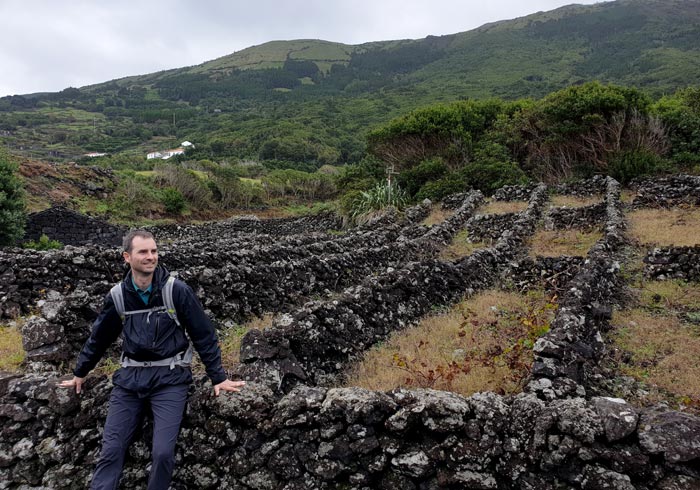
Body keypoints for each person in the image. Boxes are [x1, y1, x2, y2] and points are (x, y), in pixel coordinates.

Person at [59, 229, 245, 490]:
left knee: (162, 454)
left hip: (170, 380)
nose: (151, 257)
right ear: (127, 257)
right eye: (143, 252)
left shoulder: (176, 291)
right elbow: (99, 338)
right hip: (129, 381)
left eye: (154, 251)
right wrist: (80, 372)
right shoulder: (118, 296)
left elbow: (203, 334)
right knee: (111, 450)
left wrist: (219, 377)